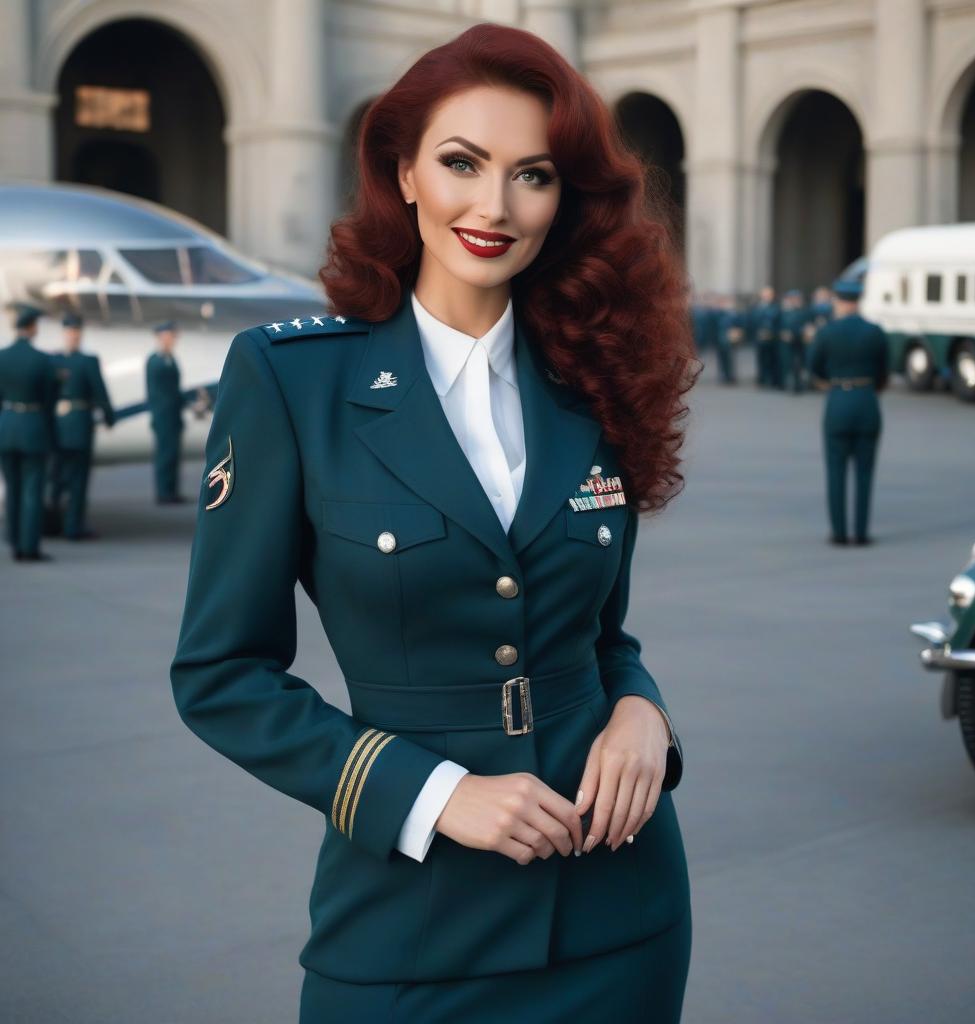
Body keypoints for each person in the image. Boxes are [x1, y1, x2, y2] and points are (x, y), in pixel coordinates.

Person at [170, 23, 694, 1024]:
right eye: (463, 162)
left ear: (561, 200)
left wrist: (643, 712)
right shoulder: (292, 381)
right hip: (410, 928)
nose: (493, 206)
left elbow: (603, 638)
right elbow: (218, 674)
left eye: (531, 175)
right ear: (402, 169)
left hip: (620, 914)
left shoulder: (593, 381)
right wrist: (435, 792)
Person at [808, 277, 889, 545]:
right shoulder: (875, 331)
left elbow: (814, 367)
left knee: (836, 471)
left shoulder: (827, 332)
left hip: (838, 401)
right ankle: (862, 533)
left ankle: (840, 533)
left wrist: (830, 380)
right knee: (865, 473)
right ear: (858, 300)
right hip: (867, 401)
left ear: (839, 301)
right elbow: (884, 372)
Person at [46, 312, 116, 539]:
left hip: (75, 425)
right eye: (70, 332)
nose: (73, 336)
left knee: (76, 480)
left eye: (76, 332)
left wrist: (108, 416)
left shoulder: (85, 360)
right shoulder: (55, 360)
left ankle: (72, 526)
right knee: (58, 478)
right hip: (63, 426)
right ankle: (55, 522)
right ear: (65, 334)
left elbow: (100, 393)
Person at [0, 303, 57, 561]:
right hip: (32, 426)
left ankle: (13, 541)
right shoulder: (42, 359)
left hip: (7, 425)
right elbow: (49, 401)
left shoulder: (3, 357)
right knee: (32, 492)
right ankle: (29, 547)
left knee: (12, 489)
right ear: (32, 328)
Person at [146, 320, 185, 504]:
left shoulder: (170, 359)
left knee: (173, 454)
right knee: (165, 454)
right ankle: (163, 492)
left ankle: (171, 490)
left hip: (173, 415)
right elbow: (160, 393)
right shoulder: (155, 361)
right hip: (163, 415)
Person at [777, 288, 808, 394]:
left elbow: (806, 327)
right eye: (791, 298)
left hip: (798, 342)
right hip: (785, 342)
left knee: (797, 364)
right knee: (785, 363)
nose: (794, 300)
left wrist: (795, 334)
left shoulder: (803, 312)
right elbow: (778, 324)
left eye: (796, 298)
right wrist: (782, 333)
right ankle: (783, 383)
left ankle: (797, 386)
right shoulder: (783, 311)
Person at [750, 284, 781, 388]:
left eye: (769, 294)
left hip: (772, 338)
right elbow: (752, 321)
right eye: (765, 294)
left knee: (772, 359)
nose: (767, 296)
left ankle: (772, 380)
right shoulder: (756, 307)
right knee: (761, 359)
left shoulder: (776, 307)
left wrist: (771, 332)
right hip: (759, 337)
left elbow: (778, 322)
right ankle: (762, 379)